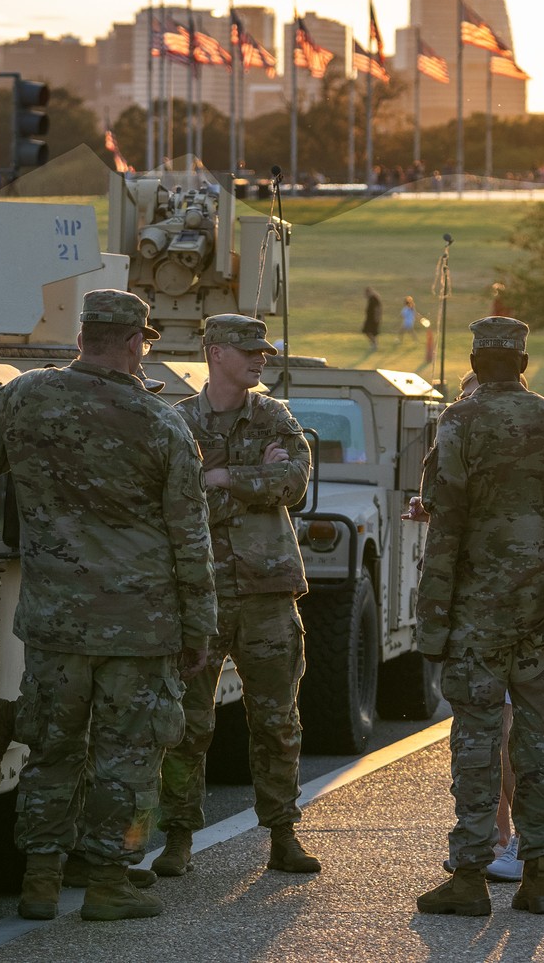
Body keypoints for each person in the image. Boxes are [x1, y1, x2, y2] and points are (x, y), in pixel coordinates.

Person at [0, 289, 214, 922]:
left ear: (83, 336)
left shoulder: (22, 397)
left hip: (55, 617)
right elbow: (191, 539)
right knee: (126, 758)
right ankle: (108, 884)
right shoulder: (164, 425)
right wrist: (199, 629)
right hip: (141, 626)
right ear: (135, 342)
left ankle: (40, 883)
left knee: (53, 750)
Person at [414, 317, 544, 918]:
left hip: (476, 612)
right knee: (537, 742)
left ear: (474, 359)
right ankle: (539, 874)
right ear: (522, 364)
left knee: (476, 739)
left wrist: (432, 621)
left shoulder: (460, 422)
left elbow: (445, 528)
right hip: (542, 610)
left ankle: (469, 874)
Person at [155, 314, 319, 879]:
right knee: (187, 724)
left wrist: (221, 479)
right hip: (199, 594)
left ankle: (282, 833)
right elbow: (173, 502)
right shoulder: (177, 423)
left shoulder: (275, 416)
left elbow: (294, 485)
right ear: (216, 352)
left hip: (268, 594)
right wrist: (252, 478)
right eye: (249, 351)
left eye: (264, 352)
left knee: (276, 720)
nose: (261, 359)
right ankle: (177, 836)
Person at [361, 287, 382, 356]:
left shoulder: (374, 298)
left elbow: (377, 308)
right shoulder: (371, 299)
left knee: (368, 331)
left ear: (369, 292)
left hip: (373, 319)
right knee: (369, 332)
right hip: (370, 318)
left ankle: (374, 344)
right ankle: (373, 344)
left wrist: (377, 317)